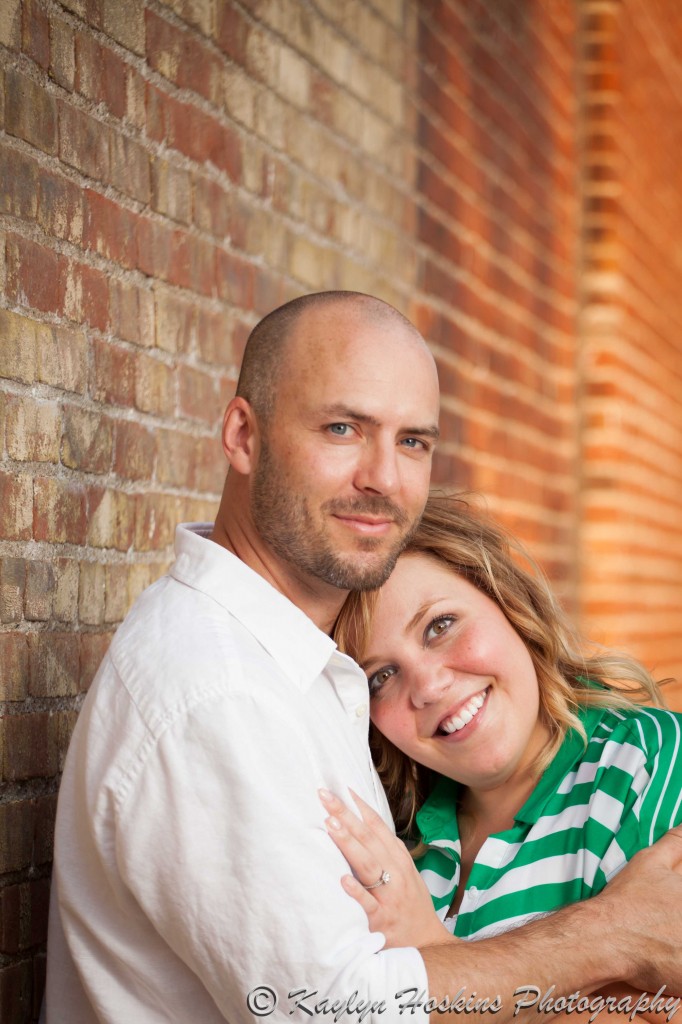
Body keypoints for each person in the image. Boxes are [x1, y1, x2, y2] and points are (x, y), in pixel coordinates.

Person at [43, 291, 682, 1024]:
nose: (383, 476)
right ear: (243, 436)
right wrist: (609, 936)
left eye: (413, 441)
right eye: (343, 427)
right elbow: (346, 1011)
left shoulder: (294, 666)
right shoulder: (221, 692)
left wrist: (433, 952)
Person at [326, 493, 682, 1009]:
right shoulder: (396, 845)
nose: (426, 686)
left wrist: (436, 959)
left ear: (507, 601)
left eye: (439, 625)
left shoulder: (648, 762)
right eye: (380, 676)